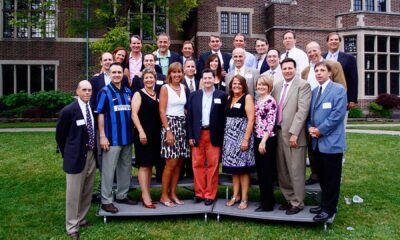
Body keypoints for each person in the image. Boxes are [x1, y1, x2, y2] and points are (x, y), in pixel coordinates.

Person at [301, 41, 347, 185]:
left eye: (314, 50)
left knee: (331, 170)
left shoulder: (334, 68)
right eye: (309, 52)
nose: (312, 53)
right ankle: (316, 175)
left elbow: (340, 96)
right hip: (313, 122)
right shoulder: (306, 72)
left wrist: (321, 130)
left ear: (320, 50)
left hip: (329, 124)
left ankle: (329, 203)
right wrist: (310, 127)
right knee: (315, 155)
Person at [56, 80, 96, 239]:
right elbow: (60, 135)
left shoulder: (91, 108)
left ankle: (82, 219)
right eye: (84, 90)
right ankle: (72, 226)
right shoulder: (68, 111)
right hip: (75, 156)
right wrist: (69, 153)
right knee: (73, 193)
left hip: (91, 155)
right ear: (77, 91)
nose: (87, 93)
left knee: (87, 190)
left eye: (90, 90)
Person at [307, 62, 347, 222]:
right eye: (316, 71)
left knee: (332, 179)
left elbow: (337, 115)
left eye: (322, 70)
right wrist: (310, 128)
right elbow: (310, 116)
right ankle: (324, 204)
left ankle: (329, 209)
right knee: (322, 177)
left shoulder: (338, 90)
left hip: (331, 143)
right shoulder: (315, 91)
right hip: (316, 142)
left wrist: (320, 130)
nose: (319, 73)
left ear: (329, 73)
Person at [271, 58, 311, 215]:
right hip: (279, 132)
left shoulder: (303, 85)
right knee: (283, 170)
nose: (287, 71)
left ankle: (298, 202)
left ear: (295, 69)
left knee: (295, 170)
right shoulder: (277, 86)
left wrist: (294, 133)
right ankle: (289, 199)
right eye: (285, 68)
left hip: (294, 135)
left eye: (290, 68)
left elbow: (302, 111)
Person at [96, 63, 137, 213]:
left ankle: (121, 195)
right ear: (110, 74)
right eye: (114, 72)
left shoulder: (128, 91)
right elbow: (100, 114)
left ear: (123, 74)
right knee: (108, 170)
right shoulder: (104, 92)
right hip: (111, 138)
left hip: (127, 137)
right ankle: (106, 200)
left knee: (125, 169)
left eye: (119, 72)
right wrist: (102, 136)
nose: (117, 75)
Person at [187, 69, 227, 206]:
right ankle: (199, 193)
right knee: (197, 164)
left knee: (213, 165)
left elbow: (224, 118)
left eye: (210, 78)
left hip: (213, 134)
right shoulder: (194, 95)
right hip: (198, 134)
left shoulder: (222, 95)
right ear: (202, 80)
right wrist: (190, 135)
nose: (207, 80)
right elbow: (190, 117)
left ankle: (210, 194)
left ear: (214, 79)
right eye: (205, 78)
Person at [159, 62, 190, 207]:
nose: (177, 75)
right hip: (170, 125)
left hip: (182, 125)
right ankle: (164, 195)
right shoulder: (165, 88)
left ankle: (173, 193)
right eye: (174, 72)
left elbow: (184, 108)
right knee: (170, 163)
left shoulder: (184, 87)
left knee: (178, 163)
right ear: (169, 74)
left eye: (179, 72)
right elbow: (161, 111)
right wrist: (168, 131)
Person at [222, 75, 255, 210]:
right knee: (234, 170)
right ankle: (235, 195)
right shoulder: (229, 98)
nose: (236, 86)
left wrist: (245, 139)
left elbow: (251, 119)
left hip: (242, 139)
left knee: (243, 170)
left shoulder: (247, 98)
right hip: (230, 140)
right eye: (234, 84)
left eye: (239, 84)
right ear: (230, 85)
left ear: (244, 86)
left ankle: (244, 198)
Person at [131, 68, 161, 209]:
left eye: (151, 77)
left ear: (155, 79)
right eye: (147, 78)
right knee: (143, 165)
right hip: (143, 134)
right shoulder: (138, 94)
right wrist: (141, 131)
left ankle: (147, 192)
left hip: (155, 134)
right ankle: (145, 195)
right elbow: (134, 114)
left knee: (150, 164)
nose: (149, 80)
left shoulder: (157, 94)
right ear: (143, 80)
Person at [253, 76, 277, 212]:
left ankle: (268, 205)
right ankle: (264, 200)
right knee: (261, 173)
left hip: (266, 140)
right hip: (258, 137)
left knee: (267, 173)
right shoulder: (258, 100)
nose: (261, 87)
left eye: (264, 85)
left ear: (269, 87)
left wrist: (263, 141)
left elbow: (270, 123)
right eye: (259, 84)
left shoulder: (270, 101)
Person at [323, 32, 358, 111]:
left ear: (339, 42)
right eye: (331, 40)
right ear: (327, 42)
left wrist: (352, 99)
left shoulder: (349, 58)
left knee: (341, 121)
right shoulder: (322, 58)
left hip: (342, 96)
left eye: (336, 39)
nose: (334, 41)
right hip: (324, 96)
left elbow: (353, 79)